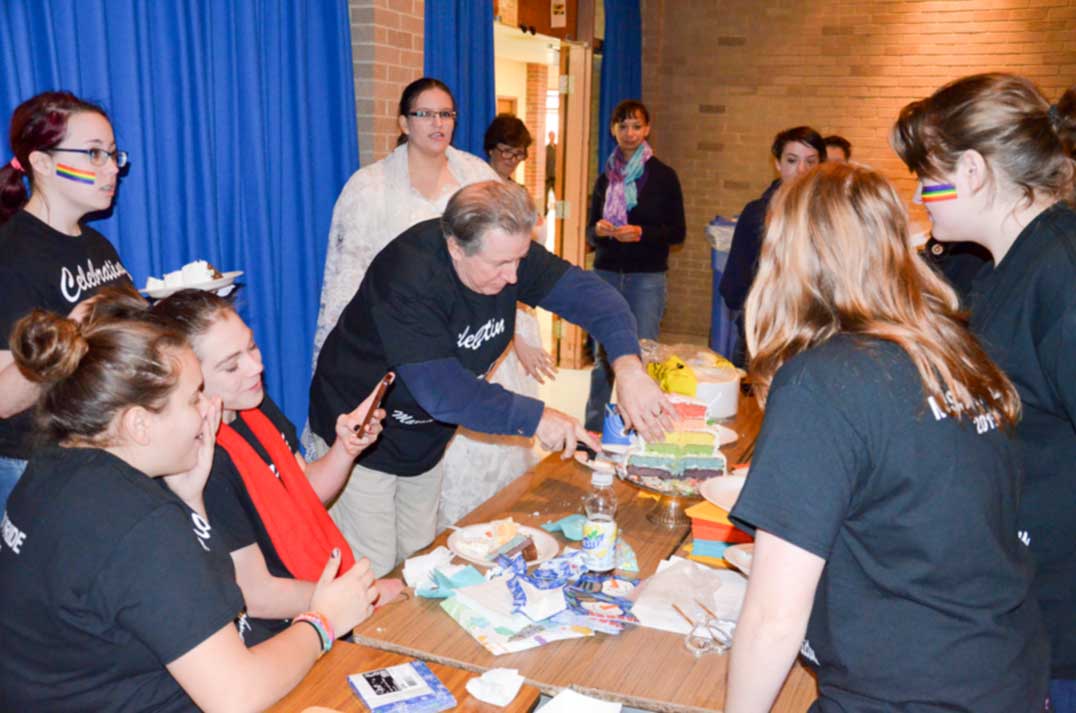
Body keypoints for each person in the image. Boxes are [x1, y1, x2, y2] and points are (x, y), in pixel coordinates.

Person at [725, 163, 1049, 713]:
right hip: (1007, 672)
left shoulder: (822, 380)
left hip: (914, 691)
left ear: (787, 257)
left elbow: (772, 620)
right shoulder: (960, 353)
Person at [0, 306, 377, 712]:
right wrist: (322, 621)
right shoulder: (139, 522)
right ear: (138, 425)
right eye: (194, 397)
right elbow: (236, 696)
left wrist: (191, 501)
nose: (207, 409)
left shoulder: (53, 463)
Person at [308, 180, 673, 576]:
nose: (514, 277)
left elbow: (597, 300)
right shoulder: (409, 275)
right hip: (359, 432)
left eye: (520, 259)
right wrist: (538, 417)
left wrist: (629, 369)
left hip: (423, 436)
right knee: (373, 568)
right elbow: (443, 392)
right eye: (500, 264)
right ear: (455, 248)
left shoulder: (506, 251)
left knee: (417, 561)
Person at [892, 72, 1076, 712]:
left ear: (971, 171)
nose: (921, 194)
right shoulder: (1010, 264)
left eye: (928, 176)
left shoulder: (1061, 273)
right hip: (1021, 603)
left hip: (1060, 626)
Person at [305, 77, 543, 531]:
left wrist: (520, 330)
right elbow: (346, 279)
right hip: (398, 346)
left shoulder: (476, 176)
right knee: (378, 502)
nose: (438, 123)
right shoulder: (369, 187)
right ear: (403, 122)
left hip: (472, 346)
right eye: (426, 114)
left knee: (434, 506)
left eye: (446, 114)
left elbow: (509, 262)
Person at [147, 289, 397, 646]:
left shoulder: (254, 406)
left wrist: (345, 449)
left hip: (323, 598)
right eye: (231, 366)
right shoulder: (201, 462)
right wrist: (358, 596)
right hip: (281, 634)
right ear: (191, 381)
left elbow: (302, 491)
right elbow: (255, 594)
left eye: (251, 347)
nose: (256, 367)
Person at [0, 91, 134, 510]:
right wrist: (73, 331)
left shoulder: (97, 245)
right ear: (42, 163)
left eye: (112, 154)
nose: (112, 168)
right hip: (37, 468)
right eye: (93, 154)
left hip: (98, 453)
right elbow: (4, 399)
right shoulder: (11, 257)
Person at [583, 99, 685, 432]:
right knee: (603, 359)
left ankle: (643, 428)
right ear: (613, 130)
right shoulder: (605, 178)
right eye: (623, 126)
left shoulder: (664, 176)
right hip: (607, 274)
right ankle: (595, 430)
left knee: (641, 356)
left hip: (646, 278)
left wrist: (641, 233)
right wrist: (598, 231)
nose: (629, 133)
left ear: (647, 129)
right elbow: (589, 233)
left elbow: (677, 232)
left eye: (636, 126)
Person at [718, 125, 826, 366]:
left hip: (816, 341)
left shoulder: (831, 216)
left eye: (810, 161)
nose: (802, 169)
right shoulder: (756, 214)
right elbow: (732, 287)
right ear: (777, 163)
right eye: (792, 160)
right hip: (762, 336)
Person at [483, 113, 532, 182]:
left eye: (519, 153)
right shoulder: (473, 184)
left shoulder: (517, 188)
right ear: (491, 149)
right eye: (507, 151)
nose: (513, 160)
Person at [545, 129, 557, 211]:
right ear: (549, 137)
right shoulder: (546, 148)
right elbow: (544, 162)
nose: (552, 137)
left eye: (553, 136)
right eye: (551, 136)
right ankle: (545, 211)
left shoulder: (558, 148)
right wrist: (545, 175)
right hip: (548, 176)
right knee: (546, 194)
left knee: (559, 194)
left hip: (557, 177)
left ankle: (560, 214)